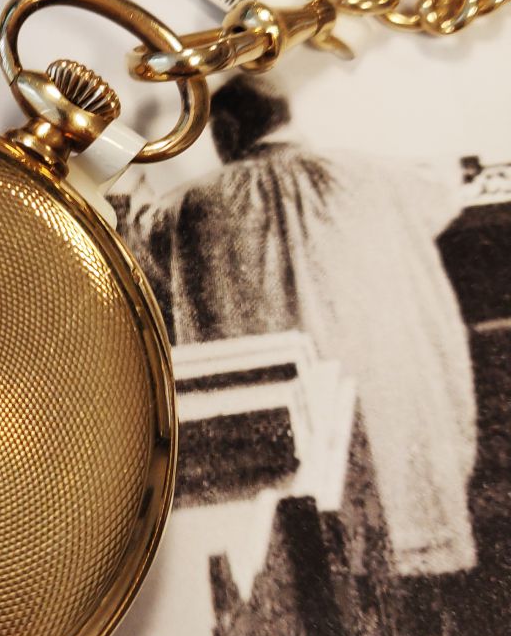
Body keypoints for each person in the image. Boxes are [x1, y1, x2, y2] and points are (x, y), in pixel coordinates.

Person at [120, 75, 478, 578]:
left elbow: (135, 236)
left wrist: (130, 168)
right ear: (284, 118)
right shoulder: (370, 174)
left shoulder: (192, 205)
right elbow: (447, 183)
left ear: (226, 131)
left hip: (293, 462)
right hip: (389, 427)